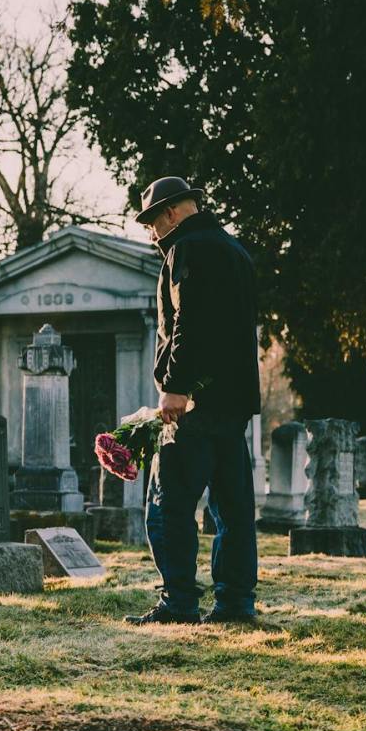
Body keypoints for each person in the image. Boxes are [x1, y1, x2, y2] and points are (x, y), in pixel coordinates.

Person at [124, 176, 261, 625]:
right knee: (232, 508)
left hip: (195, 401)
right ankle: (235, 603)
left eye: (151, 224)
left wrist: (175, 386)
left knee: (168, 504)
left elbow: (189, 321)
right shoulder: (236, 251)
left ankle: (179, 602)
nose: (151, 235)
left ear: (170, 213)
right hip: (234, 402)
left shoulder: (187, 249)